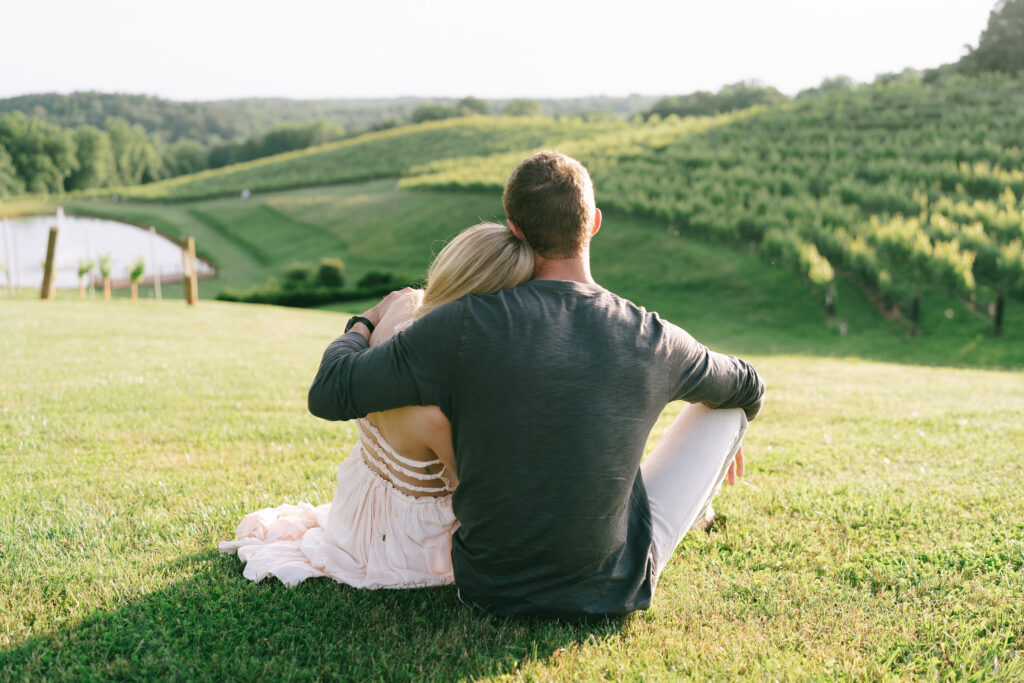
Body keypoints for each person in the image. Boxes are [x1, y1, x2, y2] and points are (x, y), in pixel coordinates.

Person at [307, 150, 766, 619]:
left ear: (515, 228)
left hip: (488, 590)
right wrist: (725, 424)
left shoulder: (461, 326)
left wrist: (365, 321)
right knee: (728, 409)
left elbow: (330, 390)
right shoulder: (651, 336)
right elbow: (749, 384)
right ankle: (696, 501)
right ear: (594, 224)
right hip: (613, 591)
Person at [219, 222, 534, 588]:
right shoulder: (438, 412)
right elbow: (483, 498)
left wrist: (362, 322)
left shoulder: (402, 305)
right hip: (410, 550)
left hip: (353, 520)